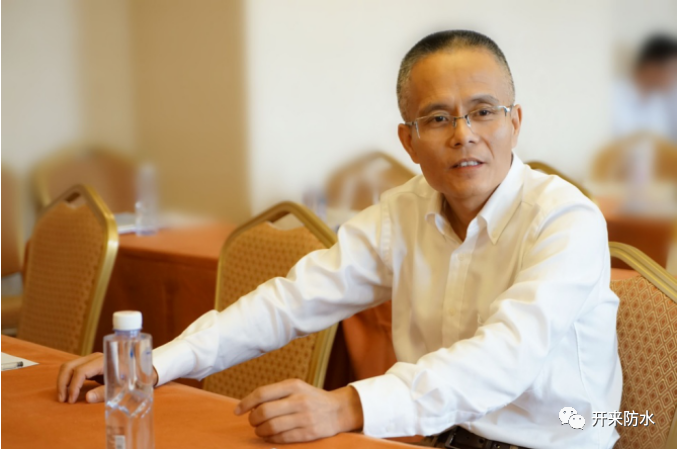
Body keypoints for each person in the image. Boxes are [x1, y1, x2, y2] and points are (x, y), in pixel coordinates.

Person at [57, 30, 622, 449]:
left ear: (515, 122)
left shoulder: (565, 219)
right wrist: (154, 364)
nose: (464, 135)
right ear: (408, 140)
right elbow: (293, 300)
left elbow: (505, 358)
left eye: (483, 112)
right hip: (435, 437)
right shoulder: (405, 210)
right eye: (437, 119)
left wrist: (347, 406)